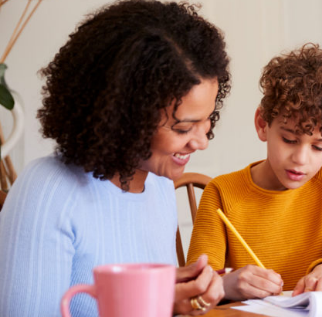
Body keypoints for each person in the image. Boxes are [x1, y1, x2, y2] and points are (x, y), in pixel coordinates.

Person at [0, 1, 231, 315]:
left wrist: (174, 292)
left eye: (207, 120)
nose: (202, 141)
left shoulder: (158, 184)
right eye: (183, 127)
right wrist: (159, 305)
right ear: (126, 117)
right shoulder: (47, 192)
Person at [186, 43, 322, 301]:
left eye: (319, 146)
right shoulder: (222, 193)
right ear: (263, 125)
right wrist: (228, 284)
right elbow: (196, 283)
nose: (300, 159)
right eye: (289, 140)